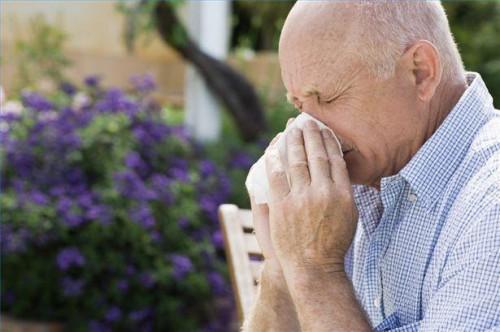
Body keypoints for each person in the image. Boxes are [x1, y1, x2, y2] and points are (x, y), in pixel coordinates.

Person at [243, 1, 500, 331]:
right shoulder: (352, 182)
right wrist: (283, 266)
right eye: (298, 105)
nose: (307, 129)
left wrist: (315, 270)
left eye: (328, 98)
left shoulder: (490, 203)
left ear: (420, 72)